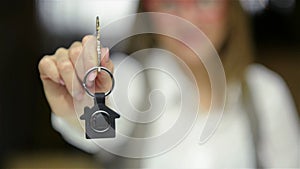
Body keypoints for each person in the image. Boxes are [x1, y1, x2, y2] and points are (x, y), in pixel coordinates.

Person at [38, 0, 299, 168]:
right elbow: (100, 127)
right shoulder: (135, 82)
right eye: (170, 4)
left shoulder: (265, 93)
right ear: (149, 12)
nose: (187, 19)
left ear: (230, 9)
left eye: (204, 1)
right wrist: (79, 106)